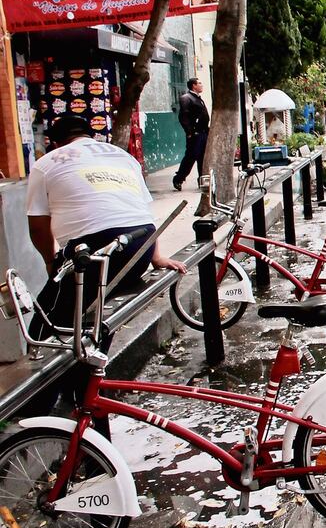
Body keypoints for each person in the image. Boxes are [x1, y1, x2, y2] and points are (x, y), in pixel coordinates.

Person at [26, 115, 186, 421]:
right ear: (90, 134)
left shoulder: (47, 163)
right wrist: (154, 256)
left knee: (45, 324)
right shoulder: (122, 156)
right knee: (94, 314)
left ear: (55, 141)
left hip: (94, 250)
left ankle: (37, 416)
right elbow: (140, 210)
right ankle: (83, 390)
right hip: (139, 243)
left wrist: (52, 262)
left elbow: (37, 225)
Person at [173, 77, 210, 191]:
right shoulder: (186, 98)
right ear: (193, 85)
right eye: (199, 83)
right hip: (195, 134)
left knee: (203, 158)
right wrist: (190, 132)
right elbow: (183, 117)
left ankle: (202, 181)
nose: (201, 85)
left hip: (204, 132)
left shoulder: (198, 98)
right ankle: (179, 179)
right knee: (191, 157)